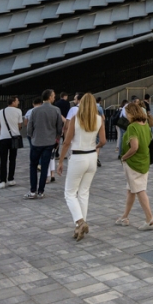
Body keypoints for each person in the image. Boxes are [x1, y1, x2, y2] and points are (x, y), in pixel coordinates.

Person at [57, 93, 106, 240]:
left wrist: (60, 161)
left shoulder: (75, 119)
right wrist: (94, 146)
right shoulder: (99, 120)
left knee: (70, 193)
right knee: (84, 192)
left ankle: (80, 221)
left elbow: (66, 142)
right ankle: (80, 226)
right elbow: (103, 141)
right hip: (92, 156)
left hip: (78, 156)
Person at [114, 103, 153, 231]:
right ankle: (125, 217)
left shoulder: (132, 127)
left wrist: (124, 157)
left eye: (127, 112)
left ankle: (150, 219)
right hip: (144, 161)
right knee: (131, 189)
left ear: (131, 113)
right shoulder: (146, 126)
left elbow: (134, 147)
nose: (126, 115)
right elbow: (148, 141)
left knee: (139, 190)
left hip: (133, 163)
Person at [25, 91, 63, 199]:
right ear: (50, 97)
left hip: (36, 142)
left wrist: (32, 136)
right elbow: (59, 128)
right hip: (49, 142)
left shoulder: (35, 110)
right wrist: (57, 139)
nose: (54, 98)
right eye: (54, 96)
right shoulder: (56, 110)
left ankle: (33, 191)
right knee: (45, 166)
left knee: (33, 165)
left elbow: (29, 127)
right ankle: (41, 191)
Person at [0, 97, 23, 188]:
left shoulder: (1, 111)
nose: (18, 102)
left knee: (3, 160)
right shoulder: (18, 111)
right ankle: (11, 179)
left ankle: (2, 180)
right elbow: (19, 125)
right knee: (12, 159)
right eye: (17, 100)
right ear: (13, 102)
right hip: (14, 138)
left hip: (3, 138)